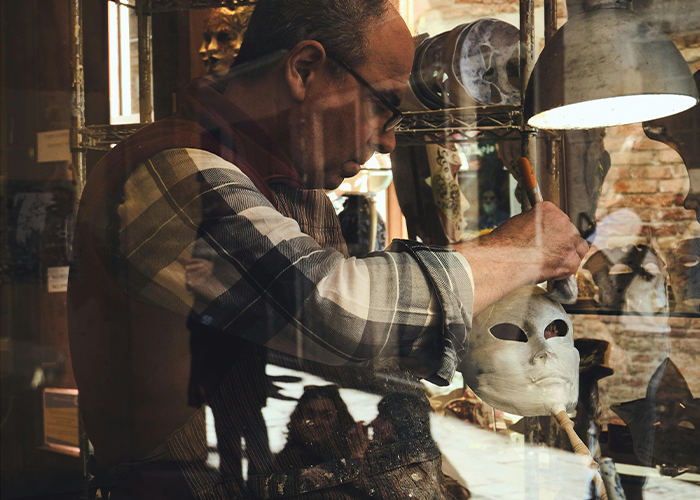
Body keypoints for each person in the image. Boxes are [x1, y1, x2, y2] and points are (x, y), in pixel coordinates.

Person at [67, 1, 588, 499]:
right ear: (305, 68)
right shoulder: (169, 173)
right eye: (384, 104)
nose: (388, 141)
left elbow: (337, 364)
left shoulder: (297, 190)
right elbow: (338, 313)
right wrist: (522, 251)